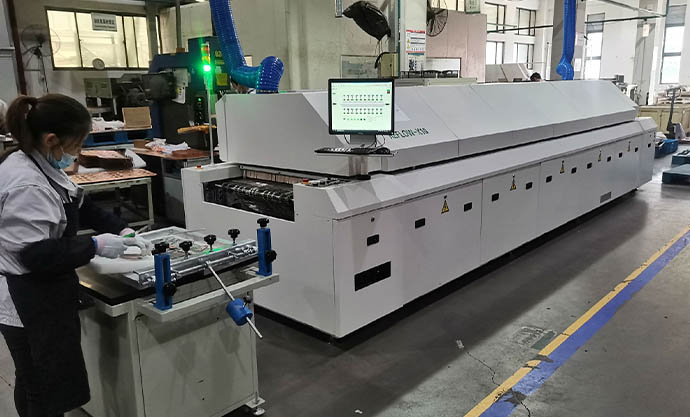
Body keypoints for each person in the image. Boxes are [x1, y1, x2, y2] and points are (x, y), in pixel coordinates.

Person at [0, 94, 151, 417]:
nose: (77, 152)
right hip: (27, 300)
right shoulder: (28, 184)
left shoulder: (37, 162)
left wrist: (123, 229)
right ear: (51, 139)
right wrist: (94, 246)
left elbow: (81, 204)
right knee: (42, 389)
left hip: (42, 293)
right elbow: (35, 255)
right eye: (76, 144)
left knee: (35, 381)